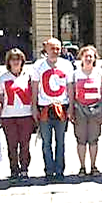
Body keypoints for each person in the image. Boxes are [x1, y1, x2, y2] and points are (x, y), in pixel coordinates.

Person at [31, 38, 73, 180]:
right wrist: (34, 107)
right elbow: (35, 88)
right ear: (46, 49)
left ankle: (60, 169)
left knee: (61, 141)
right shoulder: (38, 66)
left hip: (61, 107)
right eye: (52, 48)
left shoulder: (67, 65)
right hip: (44, 108)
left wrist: (71, 107)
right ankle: (49, 169)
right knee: (46, 142)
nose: (55, 51)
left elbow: (70, 87)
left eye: (57, 48)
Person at [0, 48, 33, 180]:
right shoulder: (3, 78)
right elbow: (0, 96)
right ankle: (14, 169)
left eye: (18, 59)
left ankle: (24, 168)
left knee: (25, 144)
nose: (16, 62)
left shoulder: (28, 76)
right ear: (9, 62)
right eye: (13, 59)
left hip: (26, 115)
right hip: (8, 116)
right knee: (12, 145)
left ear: (22, 61)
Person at [69, 45, 102, 176]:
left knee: (94, 139)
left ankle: (94, 166)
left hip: (96, 109)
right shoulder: (75, 74)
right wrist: (71, 111)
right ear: (81, 58)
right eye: (86, 56)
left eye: (91, 56)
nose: (88, 58)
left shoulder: (99, 73)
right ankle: (82, 167)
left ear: (95, 58)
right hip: (80, 109)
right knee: (81, 139)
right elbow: (72, 94)